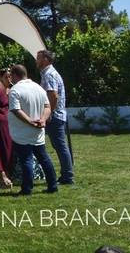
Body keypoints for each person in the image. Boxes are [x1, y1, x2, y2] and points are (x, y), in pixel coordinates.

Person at [7, 64, 58, 195]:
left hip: (22, 132)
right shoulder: (39, 88)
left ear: (14, 75)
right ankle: (53, 185)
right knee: (44, 158)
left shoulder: (15, 90)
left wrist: (30, 121)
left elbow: (15, 110)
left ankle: (27, 188)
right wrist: (43, 119)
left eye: (11, 75)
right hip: (38, 130)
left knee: (26, 160)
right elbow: (47, 106)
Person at [38, 49, 74, 185]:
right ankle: (67, 175)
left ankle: (67, 176)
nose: (37, 60)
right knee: (59, 145)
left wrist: (48, 114)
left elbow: (53, 96)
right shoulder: (49, 73)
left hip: (54, 116)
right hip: (57, 115)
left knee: (60, 145)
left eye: (38, 58)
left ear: (46, 59)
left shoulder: (49, 74)